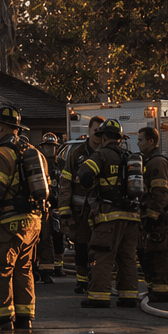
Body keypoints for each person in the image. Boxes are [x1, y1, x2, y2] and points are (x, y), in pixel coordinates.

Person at [0, 105, 45, 331]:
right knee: (24, 270)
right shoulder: (33, 152)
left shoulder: (1, 153)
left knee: (0, 270)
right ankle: (25, 318)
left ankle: (1, 319)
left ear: (1, 127)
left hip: (7, 224)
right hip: (32, 223)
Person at [75, 119, 140, 308]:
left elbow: (85, 175)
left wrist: (90, 185)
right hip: (131, 217)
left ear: (103, 137)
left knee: (102, 257)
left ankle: (99, 297)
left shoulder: (101, 155)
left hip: (108, 216)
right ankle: (128, 296)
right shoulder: (129, 157)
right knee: (127, 258)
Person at [137, 125, 168, 303]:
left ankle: (162, 291)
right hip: (153, 217)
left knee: (158, 255)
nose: (138, 143)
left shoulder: (157, 162)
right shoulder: (150, 160)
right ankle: (155, 288)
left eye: (141, 140)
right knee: (148, 255)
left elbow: (160, 193)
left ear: (151, 141)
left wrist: (151, 216)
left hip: (157, 218)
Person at [57, 116, 106, 293]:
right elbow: (66, 182)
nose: (99, 135)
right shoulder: (77, 153)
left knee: (100, 248)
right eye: (95, 131)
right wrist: (65, 210)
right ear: (89, 130)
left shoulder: (108, 154)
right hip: (80, 212)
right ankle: (82, 280)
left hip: (102, 211)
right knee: (80, 247)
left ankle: (96, 279)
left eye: (102, 132)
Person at [33, 132, 61, 284]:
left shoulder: (59, 164)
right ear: (42, 147)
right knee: (38, 239)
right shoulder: (38, 162)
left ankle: (48, 269)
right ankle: (36, 269)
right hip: (40, 207)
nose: (50, 149)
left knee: (50, 239)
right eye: (47, 147)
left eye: (53, 147)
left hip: (54, 208)